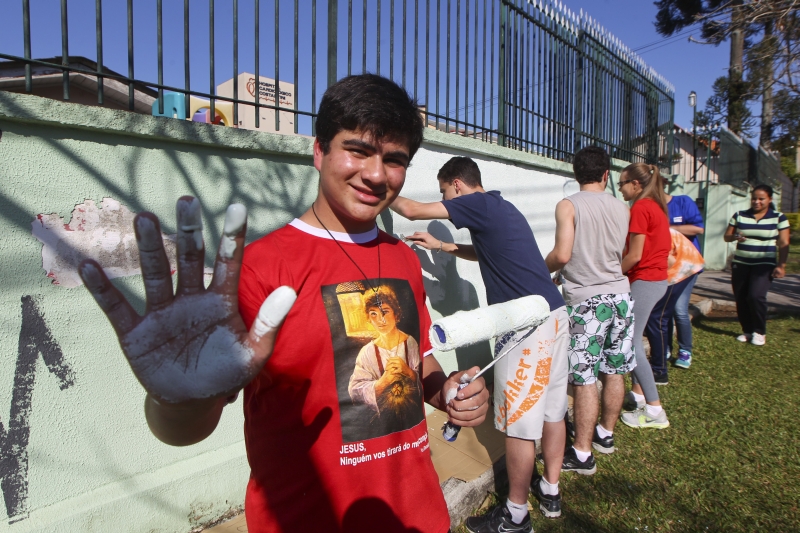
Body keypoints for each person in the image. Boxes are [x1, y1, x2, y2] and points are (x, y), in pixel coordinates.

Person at [78, 74, 490, 533]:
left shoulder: (403, 258)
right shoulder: (258, 269)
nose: (376, 175)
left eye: (394, 160)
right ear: (319, 151)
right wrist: (175, 399)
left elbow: (420, 364)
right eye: (357, 150)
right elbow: (185, 430)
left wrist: (449, 391)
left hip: (417, 518)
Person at [391, 157, 568, 532]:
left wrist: (378, 184)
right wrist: (442, 245)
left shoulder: (476, 203)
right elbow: (483, 250)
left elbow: (408, 208)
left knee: (519, 425)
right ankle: (550, 490)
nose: (446, 199)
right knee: (552, 410)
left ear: (457, 184)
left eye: (444, 193)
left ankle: (515, 516)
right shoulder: (502, 207)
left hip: (525, 325)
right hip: (554, 314)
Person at [544, 146, 636, 476]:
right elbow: (608, 253)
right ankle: (605, 435)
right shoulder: (622, 208)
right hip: (621, 297)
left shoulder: (568, 205)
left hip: (588, 303)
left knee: (584, 378)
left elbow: (563, 254)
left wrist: (545, 269)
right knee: (615, 368)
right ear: (607, 174)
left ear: (575, 173)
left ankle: (582, 453)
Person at [616, 163, 671, 430]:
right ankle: (638, 393)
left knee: (631, 342)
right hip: (655, 280)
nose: (620, 189)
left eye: (622, 183)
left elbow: (635, 255)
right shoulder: (655, 205)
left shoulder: (640, 207)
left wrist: (612, 274)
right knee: (634, 339)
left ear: (635, 184)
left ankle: (655, 410)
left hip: (646, 279)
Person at [724, 184, 791, 346]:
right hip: (741, 263)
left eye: (761, 199)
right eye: (754, 198)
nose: (757, 202)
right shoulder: (739, 215)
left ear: (769, 199)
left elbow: (783, 242)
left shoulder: (778, 217)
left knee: (756, 296)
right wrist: (735, 237)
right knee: (741, 297)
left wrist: (781, 265)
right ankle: (747, 330)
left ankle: (759, 331)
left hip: (764, 263)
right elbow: (727, 236)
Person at [348, 285, 422, 425]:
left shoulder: (410, 342)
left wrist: (409, 372)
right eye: (373, 314)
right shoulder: (367, 352)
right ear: (368, 319)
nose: (380, 320)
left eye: (385, 312)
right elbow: (355, 391)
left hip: (411, 419)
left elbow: (422, 378)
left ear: (396, 314)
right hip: (381, 422)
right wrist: (383, 382)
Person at [644, 229, 705, 383]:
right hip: (677, 264)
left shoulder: (649, 233)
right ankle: (664, 353)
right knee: (665, 313)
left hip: (684, 267)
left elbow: (669, 262)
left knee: (664, 314)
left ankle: (664, 365)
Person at [663, 184, 705, 369]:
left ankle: (685, 351)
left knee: (679, 310)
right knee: (665, 310)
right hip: (666, 268)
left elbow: (698, 229)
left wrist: (666, 227)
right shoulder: (650, 206)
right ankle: (664, 348)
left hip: (687, 266)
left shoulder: (683, 202)